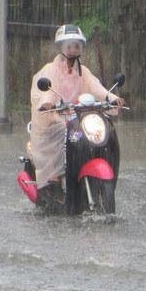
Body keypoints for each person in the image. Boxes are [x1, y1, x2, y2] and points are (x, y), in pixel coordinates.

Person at [29, 24, 124, 208]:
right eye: (70, 45)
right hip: (57, 118)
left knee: (102, 135)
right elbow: (46, 92)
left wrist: (112, 98)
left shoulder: (83, 71)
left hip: (79, 118)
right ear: (62, 47)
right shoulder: (50, 69)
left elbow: (97, 89)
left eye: (77, 46)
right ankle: (54, 181)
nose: (73, 50)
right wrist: (48, 103)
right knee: (63, 136)